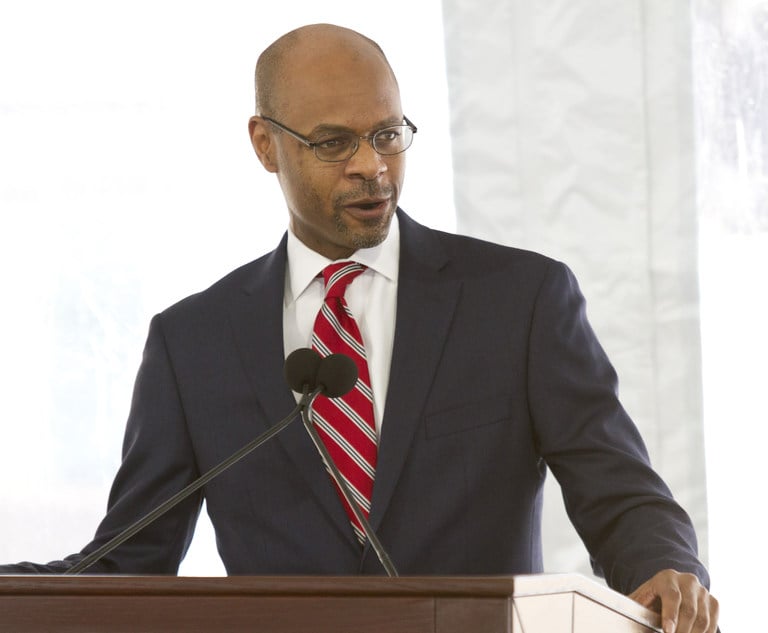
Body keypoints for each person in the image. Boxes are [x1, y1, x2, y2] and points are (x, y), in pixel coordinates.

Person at [1, 23, 718, 633]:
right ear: (264, 143)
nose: (372, 167)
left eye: (387, 134)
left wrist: (666, 569)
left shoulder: (519, 301)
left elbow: (621, 494)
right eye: (334, 143)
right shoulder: (193, 344)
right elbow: (127, 562)